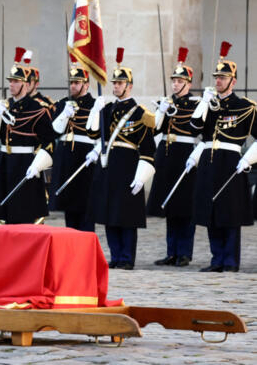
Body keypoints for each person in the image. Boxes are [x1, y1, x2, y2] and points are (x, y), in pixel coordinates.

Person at [86, 48, 156, 269]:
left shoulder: (139, 113)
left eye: (120, 83)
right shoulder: (107, 109)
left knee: (125, 216)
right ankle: (115, 256)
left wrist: (141, 176)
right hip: (108, 166)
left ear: (129, 86)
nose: (115, 86)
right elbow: (93, 134)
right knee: (109, 214)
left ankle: (127, 258)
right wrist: (95, 112)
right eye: (114, 83)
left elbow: (147, 148)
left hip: (128, 167)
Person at [189, 42, 255, 272]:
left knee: (230, 212)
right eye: (216, 77)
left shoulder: (245, 106)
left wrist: (249, 159)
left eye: (223, 78)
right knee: (211, 211)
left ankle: (230, 261)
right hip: (209, 160)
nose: (218, 81)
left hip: (231, 162)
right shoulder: (209, 104)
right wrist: (204, 103)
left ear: (233, 81)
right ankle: (216, 259)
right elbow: (193, 128)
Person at [0, 47, 57, 225]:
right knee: (6, 213)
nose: (11, 85)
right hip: (5, 162)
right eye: (10, 81)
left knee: (24, 211)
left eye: (16, 82)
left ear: (26, 84)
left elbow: (49, 142)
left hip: (25, 163)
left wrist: (38, 165)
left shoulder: (37, 109)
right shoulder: (6, 105)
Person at [146, 48, 199, 266]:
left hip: (185, 155)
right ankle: (172, 252)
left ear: (188, 83)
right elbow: (155, 131)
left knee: (185, 207)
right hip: (167, 156)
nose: (175, 84)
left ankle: (185, 252)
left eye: (179, 81)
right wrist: (161, 111)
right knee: (169, 206)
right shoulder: (168, 103)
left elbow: (198, 131)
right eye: (174, 81)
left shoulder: (196, 104)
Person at [48, 61, 97, 232]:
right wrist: (64, 115)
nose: (73, 86)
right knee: (69, 208)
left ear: (86, 84)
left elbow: (99, 134)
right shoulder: (63, 104)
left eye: (77, 82)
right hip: (66, 159)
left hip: (85, 159)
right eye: (71, 82)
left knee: (85, 208)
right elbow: (54, 131)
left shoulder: (94, 105)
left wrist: (97, 151)